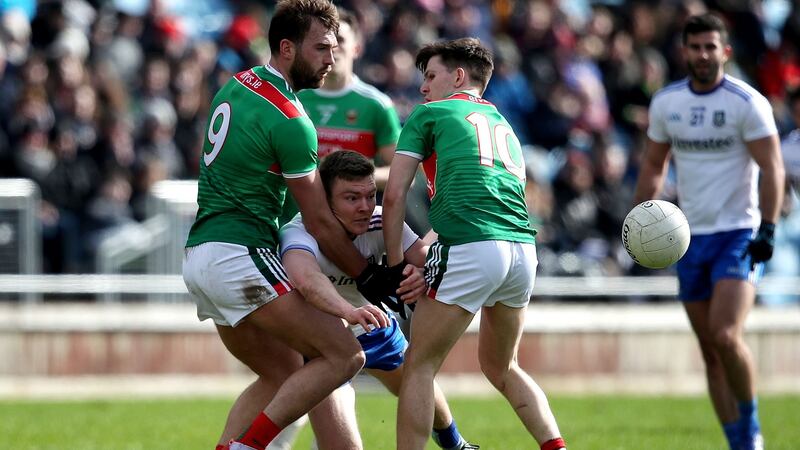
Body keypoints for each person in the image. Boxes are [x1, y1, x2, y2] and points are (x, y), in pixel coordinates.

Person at [182, 2, 406, 449]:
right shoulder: (291, 118)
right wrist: (368, 276)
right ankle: (248, 446)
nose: (331, 56)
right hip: (240, 254)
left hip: (200, 255)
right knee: (345, 354)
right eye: (321, 47)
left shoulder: (237, 82)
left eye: (336, 45)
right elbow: (322, 222)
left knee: (284, 371)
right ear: (287, 48)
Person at [382, 38, 567, 450]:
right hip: (521, 251)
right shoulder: (504, 124)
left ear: (459, 76)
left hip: (474, 248)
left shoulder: (431, 114)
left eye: (431, 76)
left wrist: (396, 266)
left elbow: (394, 195)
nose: (423, 88)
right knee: (503, 367)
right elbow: (496, 201)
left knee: (418, 367)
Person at [633, 14, 784, 450]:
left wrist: (769, 228)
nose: (702, 54)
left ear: (725, 52)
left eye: (710, 47)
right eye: (694, 47)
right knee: (710, 353)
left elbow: (772, 168)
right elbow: (653, 166)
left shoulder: (746, 102)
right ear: (684, 51)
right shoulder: (667, 103)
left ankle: (751, 427)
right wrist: (639, 223)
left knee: (725, 334)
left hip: (739, 232)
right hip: (687, 238)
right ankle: (738, 441)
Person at [279, 150, 478, 450]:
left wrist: (424, 273)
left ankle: (455, 444)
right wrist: (350, 311)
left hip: (373, 325)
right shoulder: (299, 231)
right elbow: (308, 282)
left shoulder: (380, 220)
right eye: (351, 198)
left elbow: (423, 258)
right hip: (323, 343)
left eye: (370, 195)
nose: (364, 207)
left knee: (416, 377)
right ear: (325, 200)